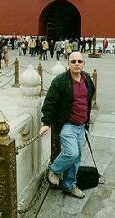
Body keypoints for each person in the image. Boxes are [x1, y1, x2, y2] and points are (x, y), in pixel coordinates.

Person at [39, 51, 95, 199]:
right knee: (72, 153)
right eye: (73, 61)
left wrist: (87, 119)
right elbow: (50, 102)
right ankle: (54, 170)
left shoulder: (87, 79)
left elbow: (88, 99)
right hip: (67, 124)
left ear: (84, 63)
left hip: (81, 125)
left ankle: (70, 185)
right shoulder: (60, 81)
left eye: (79, 61)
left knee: (76, 159)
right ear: (68, 63)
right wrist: (46, 123)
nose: (77, 64)